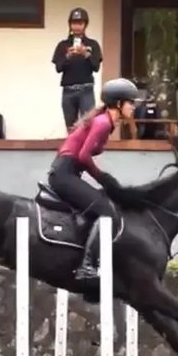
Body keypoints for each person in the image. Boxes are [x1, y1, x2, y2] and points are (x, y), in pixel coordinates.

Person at [48, 77, 144, 282]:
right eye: (131, 103)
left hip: (68, 173)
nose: (133, 107)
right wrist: (103, 178)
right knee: (106, 212)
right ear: (118, 104)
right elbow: (83, 156)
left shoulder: (105, 122)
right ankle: (87, 266)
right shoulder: (101, 123)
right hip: (64, 174)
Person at [51, 7, 103, 132]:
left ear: (85, 25)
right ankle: (71, 151)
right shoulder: (63, 45)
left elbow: (96, 67)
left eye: (80, 23)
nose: (77, 27)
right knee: (71, 128)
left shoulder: (92, 44)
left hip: (86, 90)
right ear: (70, 25)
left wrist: (86, 54)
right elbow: (58, 68)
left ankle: (85, 151)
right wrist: (68, 56)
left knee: (88, 126)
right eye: (74, 23)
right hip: (68, 91)